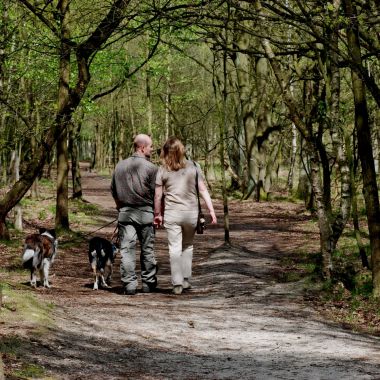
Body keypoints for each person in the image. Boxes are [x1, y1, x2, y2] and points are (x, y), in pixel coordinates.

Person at [153, 137, 217, 295]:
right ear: (182, 150)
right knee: (187, 246)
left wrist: (157, 214)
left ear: (165, 151)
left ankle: (177, 284)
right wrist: (212, 211)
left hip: (172, 214)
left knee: (174, 249)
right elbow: (203, 191)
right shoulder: (194, 166)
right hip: (191, 214)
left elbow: (157, 196)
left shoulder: (162, 169)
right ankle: (186, 279)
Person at [111, 134, 158, 295]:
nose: (152, 149)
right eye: (151, 146)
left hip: (125, 214)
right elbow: (157, 194)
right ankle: (148, 284)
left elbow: (114, 191)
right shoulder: (151, 168)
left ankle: (129, 285)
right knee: (148, 250)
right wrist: (158, 213)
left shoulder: (119, 166)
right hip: (146, 214)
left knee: (126, 250)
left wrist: (120, 208)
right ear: (142, 147)